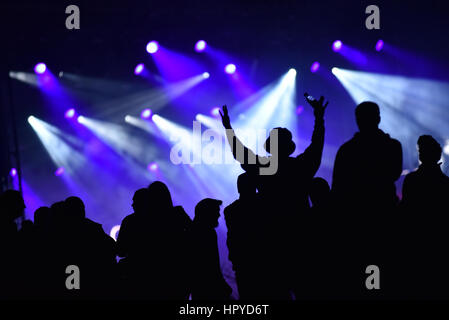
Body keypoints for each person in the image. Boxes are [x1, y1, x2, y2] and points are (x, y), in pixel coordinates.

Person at [117, 182, 191, 299]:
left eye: (135, 201)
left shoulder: (132, 221)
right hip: (176, 279)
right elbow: (194, 239)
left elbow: (121, 251)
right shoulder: (178, 214)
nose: (132, 205)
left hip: (143, 280)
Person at [332, 101, 403, 211]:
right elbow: (394, 174)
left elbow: (338, 186)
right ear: (378, 119)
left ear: (357, 120)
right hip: (385, 206)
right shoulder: (393, 145)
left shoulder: (347, 150)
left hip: (355, 209)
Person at [190, 198, 232, 300]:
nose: (218, 215)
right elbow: (212, 265)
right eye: (216, 211)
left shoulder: (193, 230)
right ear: (208, 213)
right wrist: (221, 285)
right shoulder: (209, 233)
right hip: (209, 289)